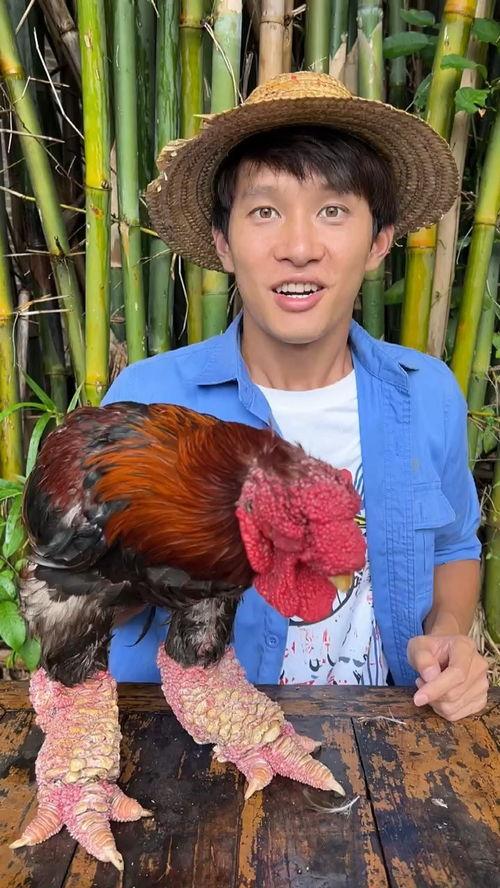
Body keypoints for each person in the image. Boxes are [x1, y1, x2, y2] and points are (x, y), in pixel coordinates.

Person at [102, 72, 489, 721]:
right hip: (183, 749)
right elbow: (78, 599)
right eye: (265, 211)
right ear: (223, 243)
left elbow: (453, 547)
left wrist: (450, 634)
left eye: (333, 211)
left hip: (385, 741)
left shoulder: (428, 394)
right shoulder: (150, 399)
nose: (300, 248)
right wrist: (171, 553)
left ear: (379, 242)